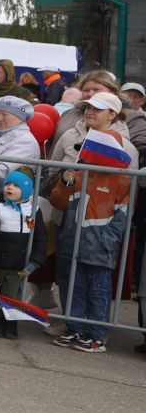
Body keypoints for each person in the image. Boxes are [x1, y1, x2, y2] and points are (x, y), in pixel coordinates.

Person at [46, 131, 134, 352]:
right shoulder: (78, 174)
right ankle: (74, 328)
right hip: (70, 243)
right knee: (71, 288)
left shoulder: (123, 180)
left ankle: (97, 335)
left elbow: (123, 217)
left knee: (97, 291)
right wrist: (65, 183)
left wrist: (107, 241)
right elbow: (58, 202)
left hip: (99, 248)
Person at [0, 171, 46, 340]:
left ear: (26, 189)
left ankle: (11, 324)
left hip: (20, 264)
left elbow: (41, 238)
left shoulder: (33, 209)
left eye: (16, 186)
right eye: (8, 184)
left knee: (12, 294)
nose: (10, 188)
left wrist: (34, 263)